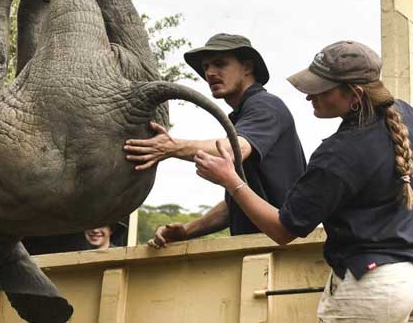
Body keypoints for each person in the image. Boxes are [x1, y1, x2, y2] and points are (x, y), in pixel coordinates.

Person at [194, 41, 413, 322]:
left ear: (355, 94)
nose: (309, 97)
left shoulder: (337, 153)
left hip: (378, 283)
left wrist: (232, 181)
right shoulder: (405, 114)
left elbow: (283, 230)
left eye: (320, 89)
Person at [125, 33, 306, 247]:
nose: (210, 73)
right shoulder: (243, 115)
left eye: (220, 64)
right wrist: (186, 231)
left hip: (285, 254)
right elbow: (237, 203)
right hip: (261, 251)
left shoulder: (265, 105)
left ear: (247, 67)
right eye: (206, 67)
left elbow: (234, 148)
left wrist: (171, 147)